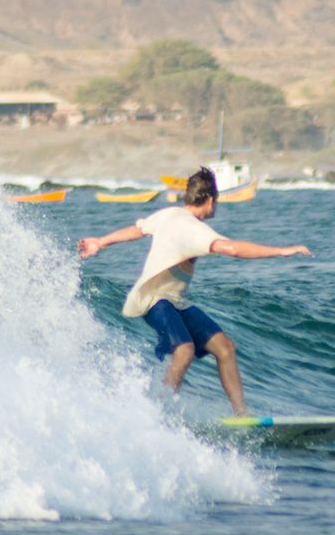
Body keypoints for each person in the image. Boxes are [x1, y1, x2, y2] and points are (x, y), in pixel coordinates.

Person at [77, 167, 311, 415]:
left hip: (173, 300)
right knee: (185, 350)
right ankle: (160, 413)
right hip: (155, 299)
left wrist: (101, 242)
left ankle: (243, 416)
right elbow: (233, 249)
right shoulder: (194, 229)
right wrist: (282, 251)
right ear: (210, 200)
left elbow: (137, 230)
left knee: (225, 348)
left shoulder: (169, 214)